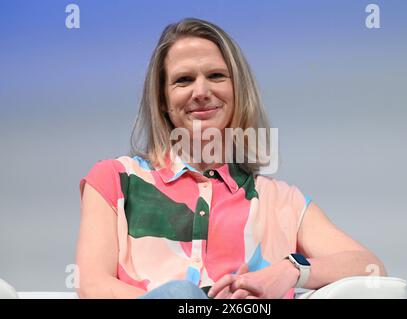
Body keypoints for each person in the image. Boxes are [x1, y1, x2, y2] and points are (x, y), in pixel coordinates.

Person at [76, 18, 386, 299]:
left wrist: (290, 270)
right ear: (162, 101)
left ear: (238, 90)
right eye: (183, 80)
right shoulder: (116, 180)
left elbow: (371, 268)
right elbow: (93, 285)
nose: (201, 91)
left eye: (216, 76)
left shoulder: (280, 202)